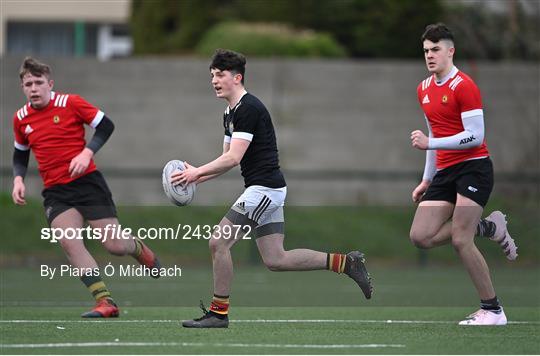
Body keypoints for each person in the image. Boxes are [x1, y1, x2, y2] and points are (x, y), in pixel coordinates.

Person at [172, 49, 373, 328]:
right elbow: (226, 159)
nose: (214, 81)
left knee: (218, 242)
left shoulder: (249, 109)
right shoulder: (230, 113)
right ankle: (347, 263)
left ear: (237, 77)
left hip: (263, 190)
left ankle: (218, 314)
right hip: (266, 189)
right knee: (276, 259)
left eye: (220, 75)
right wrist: (196, 177)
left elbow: (233, 157)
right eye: (212, 76)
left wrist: (196, 172)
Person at [11, 57, 161, 318]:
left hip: (87, 184)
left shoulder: (70, 103)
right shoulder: (21, 118)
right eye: (28, 84)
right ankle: (105, 302)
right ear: (23, 87)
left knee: (114, 246)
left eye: (38, 82)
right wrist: (18, 179)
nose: (33, 88)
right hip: (56, 192)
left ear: (50, 84)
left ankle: (138, 248)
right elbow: (20, 153)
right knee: (71, 243)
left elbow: (106, 125)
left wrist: (86, 153)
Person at [409, 24, 518, 325]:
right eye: (426, 51)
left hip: (474, 168)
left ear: (450, 50)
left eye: (436, 49)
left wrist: (431, 143)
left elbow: (475, 135)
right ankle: (489, 228)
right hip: (444, 172)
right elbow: (434, 130)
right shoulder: (424, 88)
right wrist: (427, 179)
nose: (430, 56)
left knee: (460, 239)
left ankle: (493, 310)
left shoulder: (464, 85)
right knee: (420, 236)